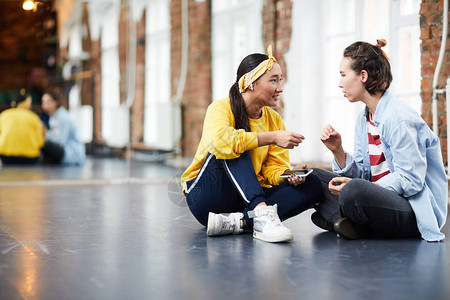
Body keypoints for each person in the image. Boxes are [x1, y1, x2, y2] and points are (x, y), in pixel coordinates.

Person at [180, 45, 322, 243]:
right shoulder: (221, 107)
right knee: (233, 145)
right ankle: (261, 214)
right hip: (206, 197)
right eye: (273, 80)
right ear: (250, 83)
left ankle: (241, 222)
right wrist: (271, 137)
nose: (280, 88)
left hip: (239, 203)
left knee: (313, 184)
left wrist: (288, 175)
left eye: (280, 80)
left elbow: (271, 170)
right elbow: (221, 142)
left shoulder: (274, 119)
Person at [311, 39, 448, 242]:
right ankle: (353, 223)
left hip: (410, 210)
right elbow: (364, 174)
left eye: (343, 74)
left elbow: (411, 180)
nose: (340, 83)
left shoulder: (398, 118)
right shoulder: (364, 118)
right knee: (312, 178)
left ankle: (345, 220)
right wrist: (337, 151)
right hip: (375, 202)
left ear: (363, 76)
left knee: (353, 191)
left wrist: (358, 186)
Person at [40, 91, 86, 165]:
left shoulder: (63, 117)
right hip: (63, 151)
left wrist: (46, 132)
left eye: (48, 102)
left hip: (71, 153)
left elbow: (61, 141)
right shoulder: (52, 117)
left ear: (55, 102)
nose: (45, 105)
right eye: (43, 102)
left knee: (43, 143)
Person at [0, 90, 45, 165]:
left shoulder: (3, 115)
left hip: (6, 156)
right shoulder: (34, 117)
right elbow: (40, 142)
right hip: (29, 157)